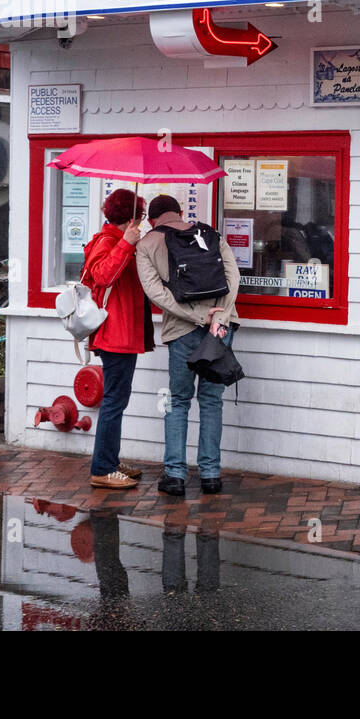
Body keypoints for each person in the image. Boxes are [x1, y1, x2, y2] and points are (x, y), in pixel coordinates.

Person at [135, 195, 240, 498]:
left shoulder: (146, 244)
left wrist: (194, 316)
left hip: (181, 331)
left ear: (151, 220)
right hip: (220, 328)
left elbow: (156, 294)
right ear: (180, 213)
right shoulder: (210, 234)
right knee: (211, 400)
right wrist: (219, 315)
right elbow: (233, 278)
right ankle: (210, 475)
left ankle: (175, 476)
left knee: (178, 401)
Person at [80, 188, 152, 490]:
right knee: (113, 402)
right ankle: (103, 469)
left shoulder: (114, 240)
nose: (145, 221)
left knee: (117, 401)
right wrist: (126, 242)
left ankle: (110, 459)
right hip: (115, 334)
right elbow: (102, 275)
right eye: (142, 215)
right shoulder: (109, 241)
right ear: (131, 217)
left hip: (122, 333)